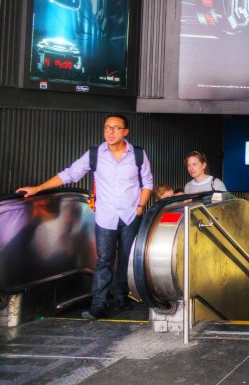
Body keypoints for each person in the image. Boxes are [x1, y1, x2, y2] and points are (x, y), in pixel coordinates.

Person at [17, 114, 153, 320]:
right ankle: (98, 305)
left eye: (116, 128)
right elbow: (69, 174)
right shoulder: (95, 154)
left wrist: (140, 207)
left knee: (126, 260)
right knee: (104, 261)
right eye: (107, 127)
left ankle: (122, 299)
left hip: (130, 215)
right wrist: (38, 188)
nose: (110, 132)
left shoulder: (138, 155)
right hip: (106, 216)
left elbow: (148, 183)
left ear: (126, 132)